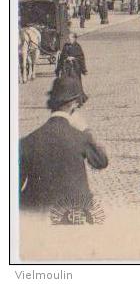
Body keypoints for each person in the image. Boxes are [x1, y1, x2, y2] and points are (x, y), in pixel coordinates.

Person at [20, 77, 108, 211]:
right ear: (74, 104)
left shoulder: (27, 141)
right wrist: (86, 131)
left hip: (37, 214)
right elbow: (101, 161)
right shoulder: (81, 137)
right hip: (75, 213)